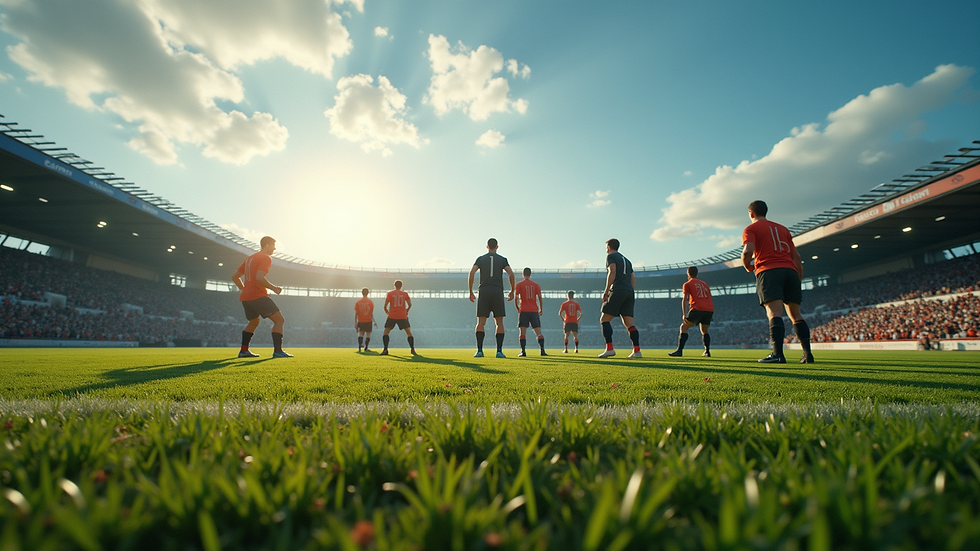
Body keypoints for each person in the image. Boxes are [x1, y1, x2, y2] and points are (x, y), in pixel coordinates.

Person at [741, 200, 813, 364]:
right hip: (790, 271)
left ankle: (777, 354)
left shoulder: (751, 229)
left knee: (774, 313)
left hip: (769, 270)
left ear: (751, 213)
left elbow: (748, 252)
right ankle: (807, 355)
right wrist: (798, 277)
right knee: (796, 314)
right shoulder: (782, 229)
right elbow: (797, 257)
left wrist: (747, 266)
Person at [232, 236, 292, 358]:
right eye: (273, 245)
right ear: (267, 245)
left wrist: (244, 289)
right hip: (258, 295)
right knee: (279, 320)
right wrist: (274, 288)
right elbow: (259, 278)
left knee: (253, 322)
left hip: (246, 297)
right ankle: (278, 351)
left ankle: (244, 351)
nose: (274, 249)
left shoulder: (249, 258)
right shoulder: (266, 258)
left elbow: (235, 277)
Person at [468, 238, 516, 358]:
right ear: (497, 247)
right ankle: (499, 351)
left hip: (484, 291)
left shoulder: (481, 259)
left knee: (480, 322)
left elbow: (472, 273)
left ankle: (479, 350)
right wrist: (512, 290)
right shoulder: (502, 259)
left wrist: (470, 291)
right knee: (499, 323)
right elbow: (511, 273)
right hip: (497, 291)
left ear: (487, 246)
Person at [598, 238, 641, 358]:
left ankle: (609, 348)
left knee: (604, 319)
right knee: (629, 323)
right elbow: (632, 277)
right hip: (629, 292)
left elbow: (612, 272)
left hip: (618, 290)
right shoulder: (627, 260)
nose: (606, 249)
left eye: (606, 246)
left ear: (609, 247)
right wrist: (630, 290)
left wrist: (606, 291)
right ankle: (637, 351)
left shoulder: (611, 257)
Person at [668, 266, 714, 357]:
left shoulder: (687, 284)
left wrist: (684, 314)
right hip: (709, 309)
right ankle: (707, 351)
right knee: (704, 330)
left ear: (688, 274)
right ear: (697, 273)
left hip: (697, 308)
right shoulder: (704, 284)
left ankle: (679, 351)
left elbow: (685, 299)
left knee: (684, 327)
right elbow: (709, 296)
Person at [514, 267, 547, 356]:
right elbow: (539, 297)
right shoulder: (536, 285)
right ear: (530, 274)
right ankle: (542, 350)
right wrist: (541, 309)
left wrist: (518, 308)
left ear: (523, 274)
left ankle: (523, 351)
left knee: (522, 332)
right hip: (534, 311)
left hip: (524, 310)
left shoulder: (519, 284)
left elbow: (516, 298)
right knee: (538, 332)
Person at [381, 280, 415, 356]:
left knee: (386, 332)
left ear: (394, 285)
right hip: (402, 316)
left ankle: (385, 349)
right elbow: (410, 304)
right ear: (401, 286)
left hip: (392, 315)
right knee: (408, 332)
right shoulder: (405, 294)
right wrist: (406, 311)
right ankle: (412, 349)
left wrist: (388, 313)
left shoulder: (390, 294)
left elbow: (385, 306)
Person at [354, 288, 376, 352]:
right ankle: (366, 347)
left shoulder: (358, 302)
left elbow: (356, 313)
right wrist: (374, 321)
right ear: (368, 293)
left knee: (361, 333)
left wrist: (356, 322)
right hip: (368, 320)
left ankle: (359, 346)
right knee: (368, 334)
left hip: (361, 320)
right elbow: (371, 313)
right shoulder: (370, 302)